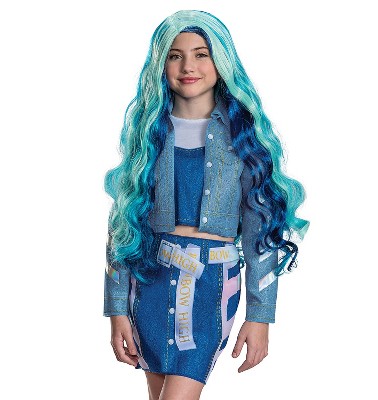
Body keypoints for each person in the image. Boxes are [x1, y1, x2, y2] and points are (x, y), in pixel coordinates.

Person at [103, 9, 309, 400]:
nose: (188, 66)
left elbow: (261, 235)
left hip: (210, 287)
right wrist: (116, 310)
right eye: (175, 55)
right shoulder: (147, 137)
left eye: (201, 54)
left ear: (222, 62)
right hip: (148, 283)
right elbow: (122, 228)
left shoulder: (245, 140)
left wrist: (260, 315)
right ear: (160, 64)